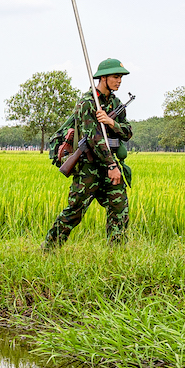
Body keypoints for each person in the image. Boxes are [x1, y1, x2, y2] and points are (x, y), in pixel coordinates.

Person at [44, 58, 133, 247]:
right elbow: (93, 138)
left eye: (121, 77)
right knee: (75, 211)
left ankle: (116, 254)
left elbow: (127, 132)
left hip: (109, 166)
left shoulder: (116, 103)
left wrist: (111, 123)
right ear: (103, 78)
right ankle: (49, 248)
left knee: (119, 208)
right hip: (89, 167)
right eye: (116, 77)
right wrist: (112, 165)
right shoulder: (87, 102)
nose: (119, 81)